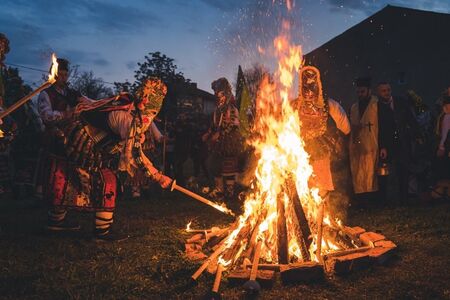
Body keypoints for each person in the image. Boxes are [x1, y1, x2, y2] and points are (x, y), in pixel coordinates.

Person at [295, 66, 350, 216]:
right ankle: (307, 215)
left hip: (320, 151)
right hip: (301, 153)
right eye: (306, 86)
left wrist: (337, 141)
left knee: (322, 186)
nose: (309, 91)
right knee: (304, 184)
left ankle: (323, 217)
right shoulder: (295, 106)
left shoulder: (329, 104)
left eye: (312, 85)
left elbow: (345, 127)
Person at [376, 82, 422, 204]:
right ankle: (388, 199)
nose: (387, 93)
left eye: (388, 90)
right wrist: (383, 146)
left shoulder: (400, 102)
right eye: (383, 91)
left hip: (403, 141)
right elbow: (380, 128)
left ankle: (404, 198)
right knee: (389, 172)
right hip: (389, 143)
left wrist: (417, 135)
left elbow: (411, 119)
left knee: (404, 170)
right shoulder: (378, 107)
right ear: (379, 93)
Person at [348, 77, 390, 207]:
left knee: (372, 174)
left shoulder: (377, 105)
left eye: (363, 91)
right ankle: (362, 202)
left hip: (373, 145)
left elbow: (384, 127)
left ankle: (375, 202)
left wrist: (384, 146)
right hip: (358, 147)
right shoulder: (354, 107)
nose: (360, 94)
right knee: (360, 174)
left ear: (369, 91)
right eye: (359, 92)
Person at [202, 77, 243, 200]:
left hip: (229, 142)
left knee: (229, 167)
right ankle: (219, 191)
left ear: (226, 94)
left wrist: (220, 134)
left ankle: (229, 193)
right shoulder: (217, 110)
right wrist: (208, 133)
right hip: (218, 143)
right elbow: (214, 125)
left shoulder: (232, 109)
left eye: (220, 93)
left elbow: (233, 126)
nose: (217, 96)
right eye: (216, 93)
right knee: (215, 165)